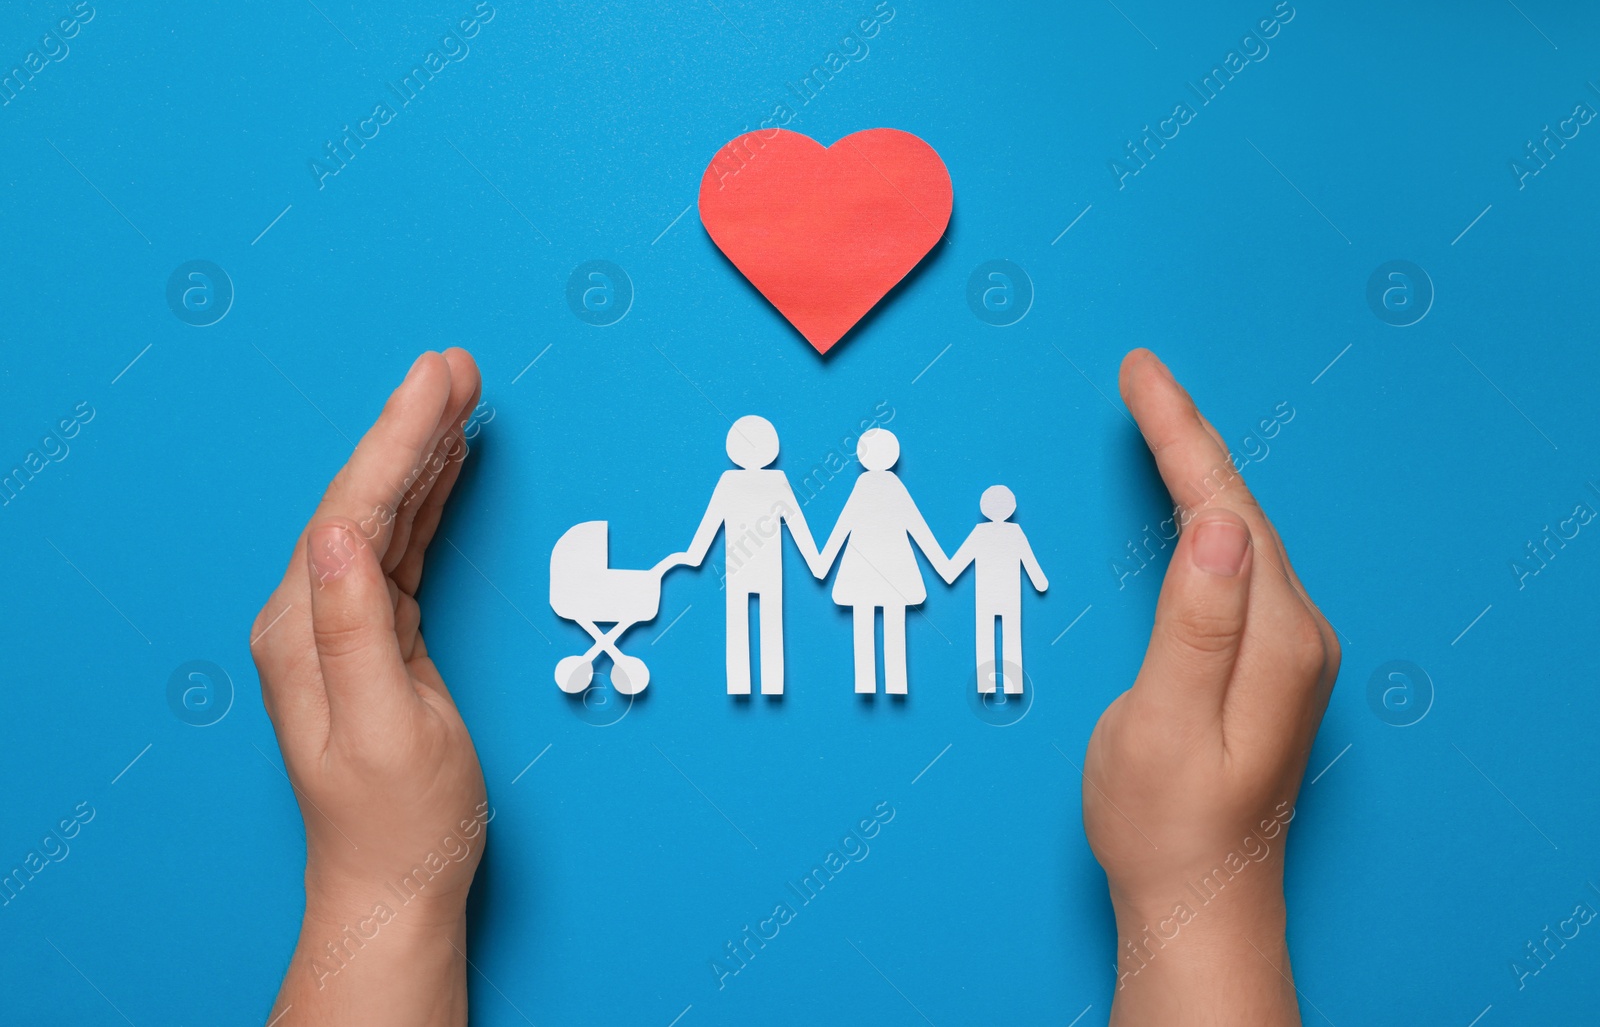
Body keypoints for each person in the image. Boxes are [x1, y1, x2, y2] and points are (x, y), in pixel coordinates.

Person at [250, 347, 1339, 1025]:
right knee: (777, 637)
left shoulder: (812, 493)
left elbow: (889, 528)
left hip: (829, 576)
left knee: (829, 632)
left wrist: (380, 888)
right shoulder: (750, 489)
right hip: (778, 579)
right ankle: (782, 655)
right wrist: (1204, 894)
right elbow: (746, 528)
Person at [673, 415, 822, 694]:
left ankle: (747, 683)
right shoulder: (771, 480)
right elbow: (797, 524)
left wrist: (693, 556)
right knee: (768, 622)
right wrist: (815, 561)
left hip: (742, 566)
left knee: (740, 623)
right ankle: (768, 683)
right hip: (757, 568)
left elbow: (710, 524)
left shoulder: (732, 481)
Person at [814, 428, 951, 695]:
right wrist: (943, 566)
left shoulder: (866, 486)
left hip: (862, 571)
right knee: (893, 625)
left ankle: (868, 682)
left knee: (864, 624)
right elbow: (917, 527)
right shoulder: (889, 487)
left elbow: (844, 525)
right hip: (893, 570)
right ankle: (895, 682)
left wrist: (823, 561)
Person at [941, 484, 1048, 694]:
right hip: (1008, 597)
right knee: (1011, 637)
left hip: (987, 597)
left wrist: (945, 569)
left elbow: (956, 566)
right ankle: (1011, 684)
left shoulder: (981, 533)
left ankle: (988, 685)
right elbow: (1029, 561)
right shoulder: (1014, 532)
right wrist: (1039, 581)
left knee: (985, 638)